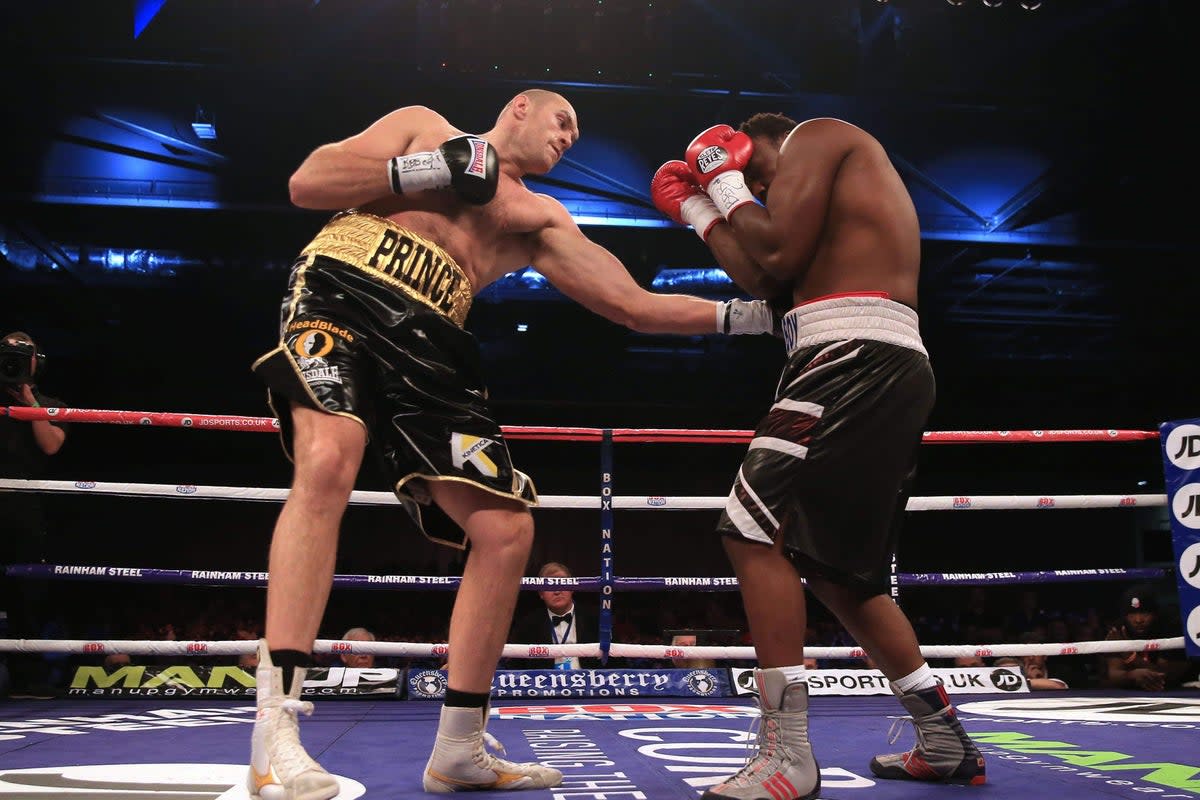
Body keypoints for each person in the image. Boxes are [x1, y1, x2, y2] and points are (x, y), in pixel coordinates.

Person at [246, 89, 778, 799]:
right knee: (328, 460)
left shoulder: (538, 218)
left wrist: (757, 317)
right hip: (341, 293)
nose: (571, 136)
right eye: (563, 120)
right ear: (519, 108)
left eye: (578, 131)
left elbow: (633, 304)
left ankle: (459, 747)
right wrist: (429, 170)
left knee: (505, 528)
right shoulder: (422, 127)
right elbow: (308, 182)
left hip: (435, 340)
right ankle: (275, 728)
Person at [650, 115, 985, 799]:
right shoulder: (808, 201)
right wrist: (699, 207)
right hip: (861, 358)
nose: (762, 190)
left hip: (851, 354)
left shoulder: (819, 135)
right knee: (842, 575)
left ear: (765, 143)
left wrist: (724, 179)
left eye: (762, 176)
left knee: (751, 531)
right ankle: (946, 740)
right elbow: (762, 278)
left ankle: (788, 756)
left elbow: (771, 254)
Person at [0, 330, 68, 698]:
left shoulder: (47, 402)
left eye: (19, 356)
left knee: (26, 592)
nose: (12, 361)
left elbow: (51, 445)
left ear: (34, 362)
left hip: (23, 502)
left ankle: (26, 677)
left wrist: (27, 401)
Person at [1100, 584, 1195, 691]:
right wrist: (1131, 675)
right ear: (1125, 616)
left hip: (1186, 686)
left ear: (1155, 613)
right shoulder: (1119, 630)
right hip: (1137, 694)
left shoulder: (1171, 626)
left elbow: (1167, 675)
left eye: (1144, 612)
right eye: (1132, 613)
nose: (1138, 620)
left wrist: (1129, 655)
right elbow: (1114, 674)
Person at [508, 561, 591, 670]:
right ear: (541, 594)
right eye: (549, 586)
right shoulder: (527, 625)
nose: (557, 591)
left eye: (561, 583)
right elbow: (515, 667)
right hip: (543, 685)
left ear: (572, 587)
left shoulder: (594, 618)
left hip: (588, 683)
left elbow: (613, 661)